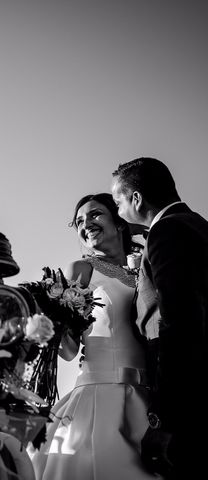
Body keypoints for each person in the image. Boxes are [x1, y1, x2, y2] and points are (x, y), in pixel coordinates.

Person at [31, 193, 158, 480]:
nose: (85, 224)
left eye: (95, 214)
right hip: (100, 397)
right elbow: (68, 351)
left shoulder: (146, 269)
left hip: (148, 401)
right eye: (78, 221)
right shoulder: (81, 270)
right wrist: (49, 317)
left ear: (120, 222)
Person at [111, 157, 208, 479]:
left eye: (118, 201)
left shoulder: (167, 230)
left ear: (136, 198)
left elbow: (179, 320)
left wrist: (163, 417)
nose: (118, 211)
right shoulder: (198, 225)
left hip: (187, 389)